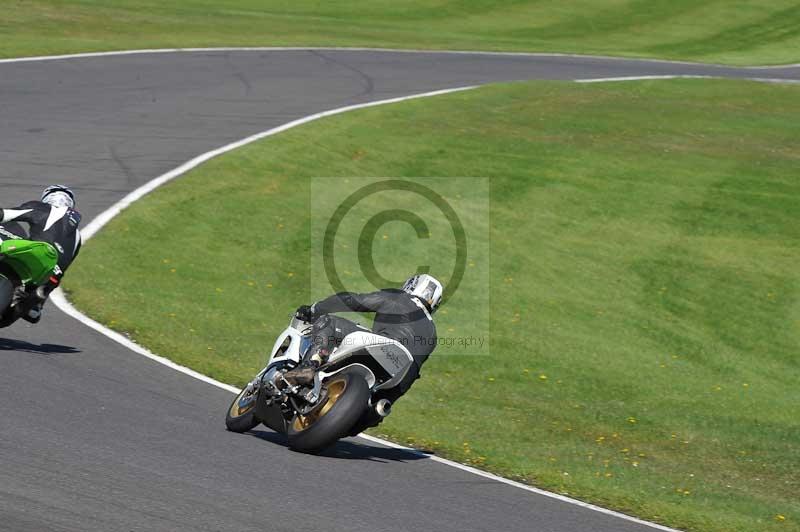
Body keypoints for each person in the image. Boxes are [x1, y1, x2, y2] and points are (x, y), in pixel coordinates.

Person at [283, 274, 444, 409]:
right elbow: (413, 371)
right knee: (377, 408)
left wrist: (314, 309)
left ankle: (310, 365)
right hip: (399, 375)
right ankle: (374, 411)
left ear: (413, 285)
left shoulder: (400, 297)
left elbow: (353, 301)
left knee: (328, 322)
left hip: (381, 345)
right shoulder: (433, 333)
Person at [0, 185, 82, 324]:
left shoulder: (43, 208)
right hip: (48, 273)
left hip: (36, 251)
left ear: (47, 199)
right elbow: (64, 266)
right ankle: (36, 302)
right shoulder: (78, 236)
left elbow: (6, 214)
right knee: (33, 312)